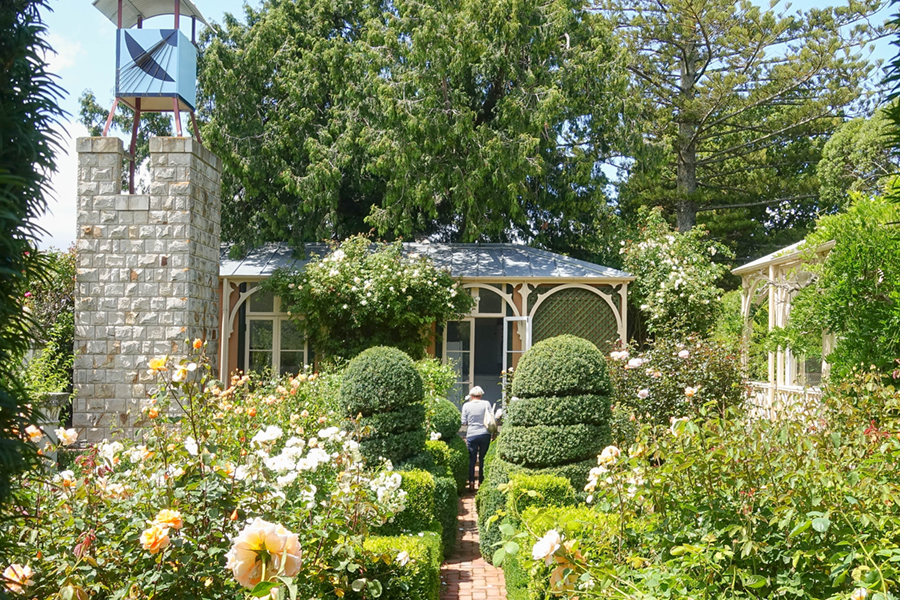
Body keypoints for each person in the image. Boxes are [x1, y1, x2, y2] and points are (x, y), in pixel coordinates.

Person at [460, 386, 494, 490]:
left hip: (472, 434)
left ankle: (471, 482)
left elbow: (463, 421)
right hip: (485, 434)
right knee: (483, 458)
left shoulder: (466, 406)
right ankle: (481, 482)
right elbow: (491, 418)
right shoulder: (486, 403)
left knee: (472, 459)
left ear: (471, 395)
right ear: (481, 395)